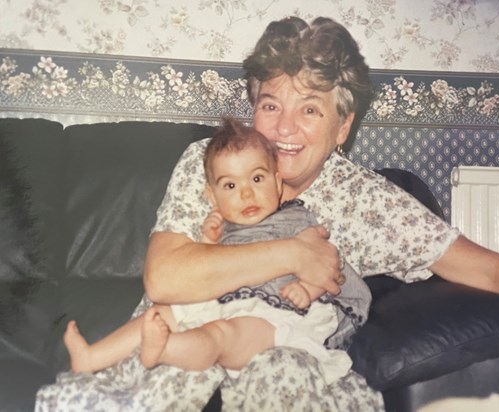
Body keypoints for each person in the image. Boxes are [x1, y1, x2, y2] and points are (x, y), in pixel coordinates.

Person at [36, 15, 499, 412]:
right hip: (179, 347)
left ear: (342, 126)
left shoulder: (368, 201)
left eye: (309, 109)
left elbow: (484, 267)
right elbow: (167, 275)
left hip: (281, 361)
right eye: (270, 104)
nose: (284, 128)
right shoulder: (211, 163)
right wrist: (291, 253)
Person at [62, 118, 370, 385]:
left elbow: (323, 267)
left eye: (257, 178)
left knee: (221, 334)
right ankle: (92, 357)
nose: (246, 192)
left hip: (276, 318)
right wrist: (208, 243)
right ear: (212, 196)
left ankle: (164, 349)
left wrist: (307, 289)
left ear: (278, 182)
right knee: (160, 313)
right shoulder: (224, 228)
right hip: (226, 302)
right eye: (230, 186)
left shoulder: (297, 220)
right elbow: (207, 274)